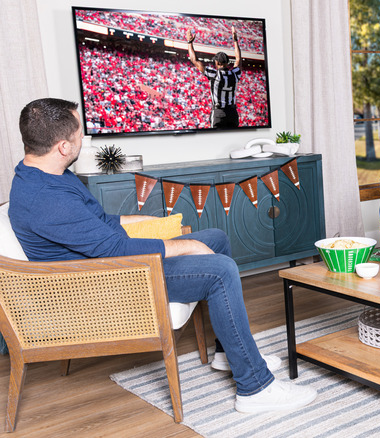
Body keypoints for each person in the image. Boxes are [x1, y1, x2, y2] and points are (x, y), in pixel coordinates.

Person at [8, 98, 317, 413]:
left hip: (111, 262)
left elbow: (99, 223)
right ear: (63, 147)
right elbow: (114, 249)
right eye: (78, 135)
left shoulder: (48, 173)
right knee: (220, 270)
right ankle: (255, 388)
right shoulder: (46, 198)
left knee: (216, 238)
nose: (83, 139)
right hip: (104, 283)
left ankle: (229, 353)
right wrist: (186, 245)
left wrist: (146, 222)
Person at [186, 26, 242, 129]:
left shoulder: (214, 74)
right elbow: (238, 60)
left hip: (218, 113)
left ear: (217, 63)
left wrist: (189, 43)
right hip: (232, 113)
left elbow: (194, 60)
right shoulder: (234, 74)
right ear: (227, 63)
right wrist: (235, 41)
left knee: (216, 135)